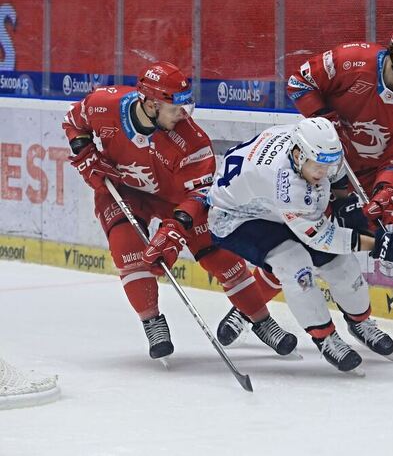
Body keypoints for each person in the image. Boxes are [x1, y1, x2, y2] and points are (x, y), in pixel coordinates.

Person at [63, 61, 297, 361]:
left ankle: (262, 321)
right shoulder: (102, 104)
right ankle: (152, 322)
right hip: (125, 191)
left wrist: (174, 231)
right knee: (127, 249)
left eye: (185, 105)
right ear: (148, 104)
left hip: (178, 200)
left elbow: (200, 194)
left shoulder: (192, 140)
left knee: (220, 258)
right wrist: (85, 154)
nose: (182, 114)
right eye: (174, 108)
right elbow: (73, 121)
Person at [206, 117, 393, 372]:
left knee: (341, 265)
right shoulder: (286, 186)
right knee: (295, 265)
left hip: (268, 206)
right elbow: (323, 238)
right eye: (318, 167)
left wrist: (344, 201)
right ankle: (326, 338)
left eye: (327, 166)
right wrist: (379, 245)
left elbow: (338, 173)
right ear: (297, 155)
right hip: (236, 218)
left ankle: (359, 321)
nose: (323, 174)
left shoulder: (320, 147)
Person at [283, 17, 393, 349]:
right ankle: (249, 311)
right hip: (325, 166)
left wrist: (386, 190)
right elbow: (298, 81)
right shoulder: (352, 60)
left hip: (377, 168)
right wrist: (324, 119)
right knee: (296, 244)